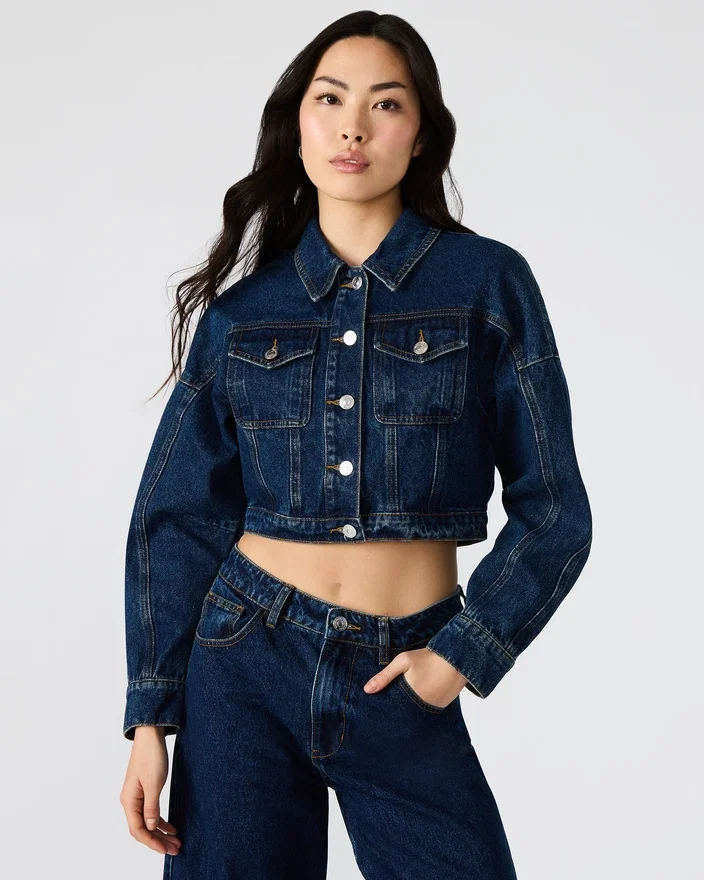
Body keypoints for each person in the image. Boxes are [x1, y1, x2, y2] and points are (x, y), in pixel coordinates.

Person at [119, 11, 592, 879]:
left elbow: (555, 509)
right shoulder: (242, 314)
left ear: (422, 135)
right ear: (298, 124)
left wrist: (457, 658)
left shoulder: (487, 283)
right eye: (331, 100)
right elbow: (178, 515)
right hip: (243, 664)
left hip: (403, 678)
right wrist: (151, 717)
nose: (354, 128)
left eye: (387, 104)